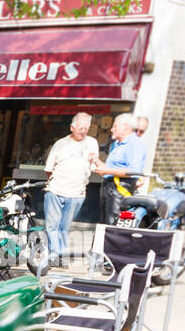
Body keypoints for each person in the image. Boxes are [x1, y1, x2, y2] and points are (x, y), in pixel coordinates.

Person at [42, 112, 97, 266]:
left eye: (86, 128)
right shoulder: (61, 144)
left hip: (77, 193)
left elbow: (94, 166)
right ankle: (55, 255)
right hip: (55, 190)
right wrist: (56, 183)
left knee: (65, 227)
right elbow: (48, 168)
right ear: (72, 127)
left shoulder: (92, 143)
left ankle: (59, 254)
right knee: (52, 226)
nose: (83, 131)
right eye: (80, 128)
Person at [93, 112, 147, 224]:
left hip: (120, 190)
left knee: (113, 226)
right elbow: (111, 168)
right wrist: (95, 160)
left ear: (125, 127)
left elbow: (133, 171)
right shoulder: (116, 144)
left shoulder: (135, 144)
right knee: (103, 225)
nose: (112, 129)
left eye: (115, 126)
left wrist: (107, 171)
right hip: (108, 188)